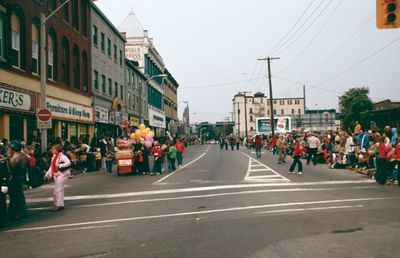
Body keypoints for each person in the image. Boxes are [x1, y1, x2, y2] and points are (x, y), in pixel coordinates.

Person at [44, 144, 71, 211]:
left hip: (63, 174)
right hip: (56, 174)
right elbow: (51, 167)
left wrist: (60, 165)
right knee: (56, 190)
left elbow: (68, 163)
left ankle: (59, 205)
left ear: (57, 149)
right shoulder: (54, 156)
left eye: (53, 149)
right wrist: (47, 174)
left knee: (58, 189)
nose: (51, 150)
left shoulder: (62, 156)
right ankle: (57, 204)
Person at [7, 141, 28, 220]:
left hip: (15, 178)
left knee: (14, 196)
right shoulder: (22, 155)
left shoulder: (15, 157)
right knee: (19, 195)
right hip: (20, 177)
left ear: (12, 148)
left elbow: (11, 169)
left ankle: (15, 213)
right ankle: (20, 211)